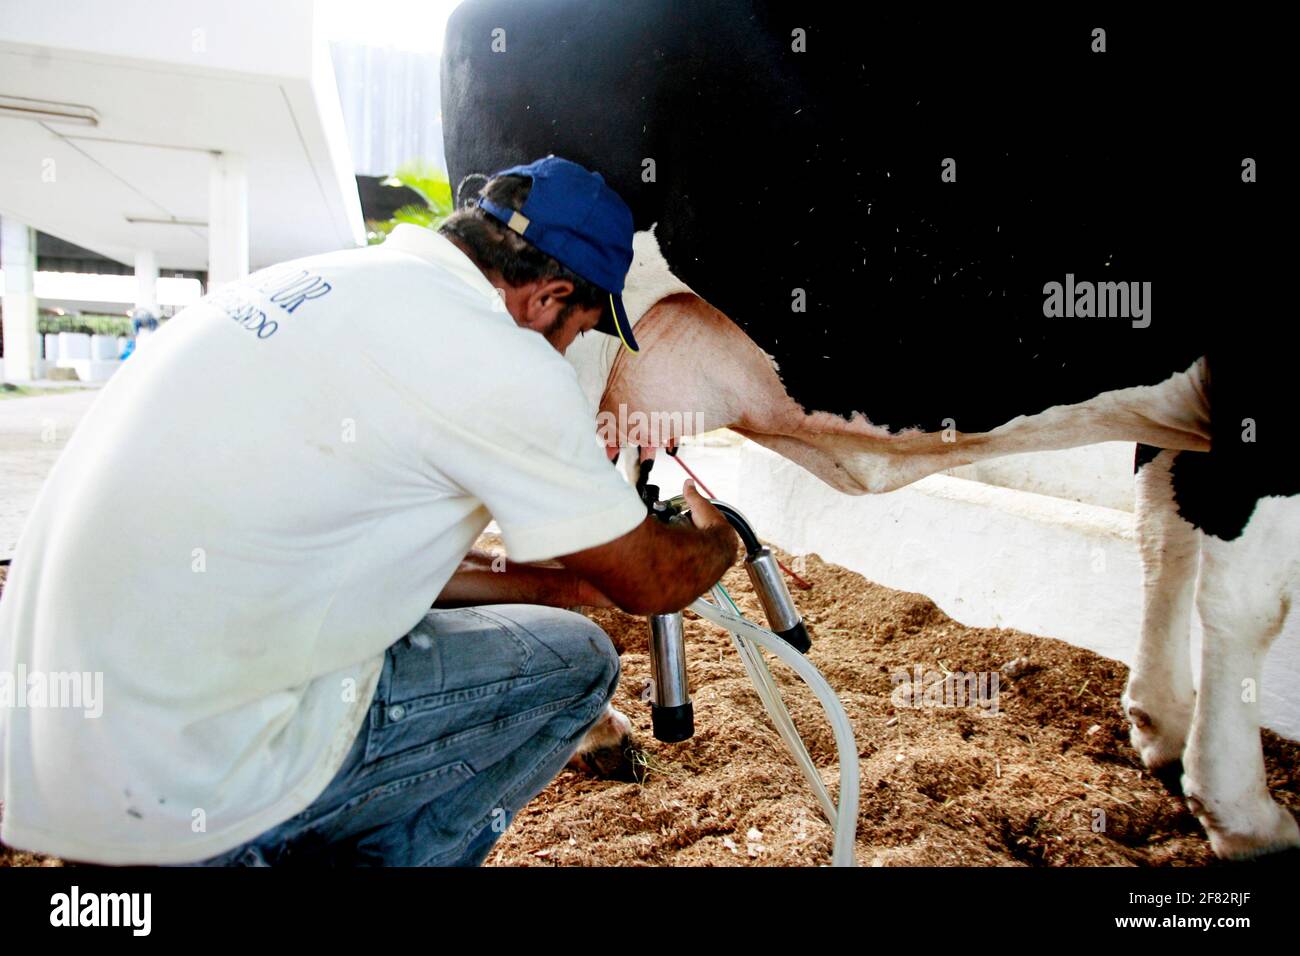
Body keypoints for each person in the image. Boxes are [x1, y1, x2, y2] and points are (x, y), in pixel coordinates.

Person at [0, 156, 738, 866]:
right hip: (197, 794)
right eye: (580, 330)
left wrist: (563, 585)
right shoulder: (498, 357)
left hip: (57, 777)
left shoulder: (313, 284)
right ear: (547, 296)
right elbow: (652, 583)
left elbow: (352, 561)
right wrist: (718, 541)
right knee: (578, 663)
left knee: (528, 622)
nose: (571, 347)